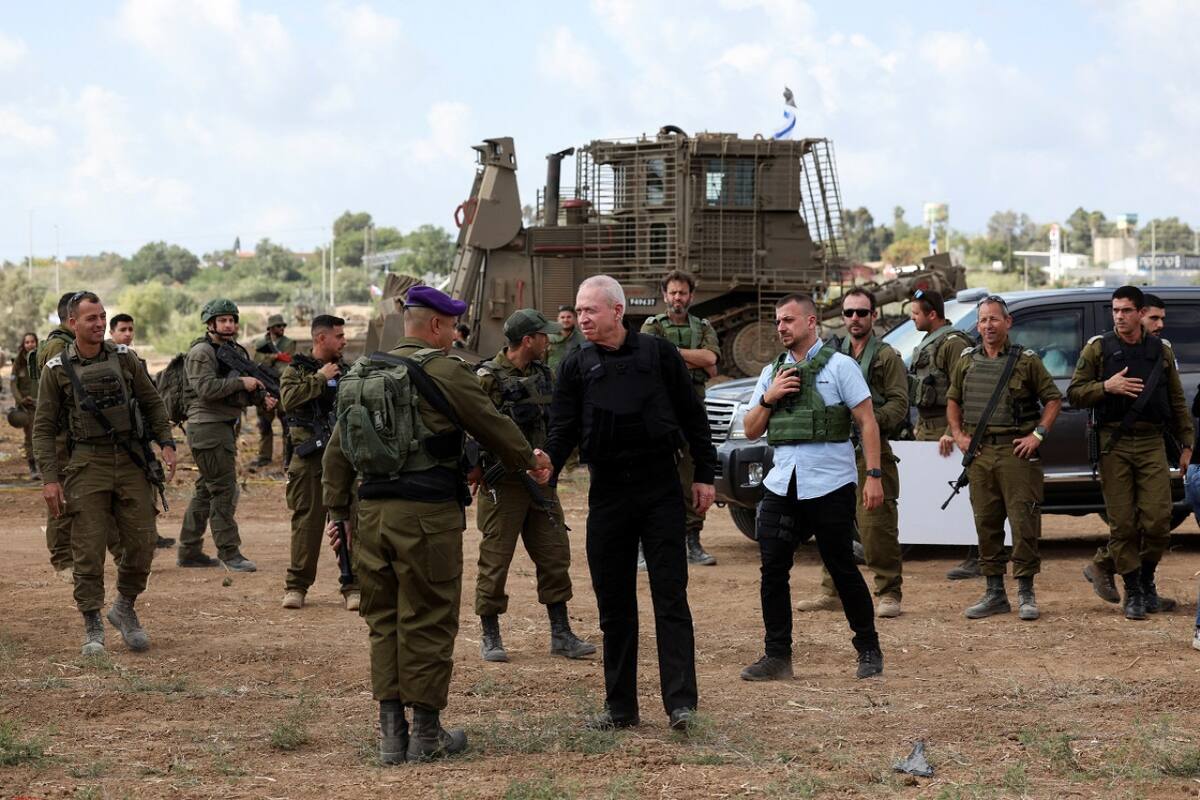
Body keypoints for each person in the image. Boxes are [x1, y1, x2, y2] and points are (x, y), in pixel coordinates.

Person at [323, 285, 551, 764]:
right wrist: (529, 458)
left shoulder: (365, 372)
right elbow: (490, 422)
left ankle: (390, 735)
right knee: (427, 616)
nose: (455, 334)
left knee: (382, 620)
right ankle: (426, 733)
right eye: (451, 327)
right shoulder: (446, 370)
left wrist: (337, 514)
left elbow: (337, 451)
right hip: (426, 517)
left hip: (372, 515)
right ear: (433, 326)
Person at [543, 274, 716, 733]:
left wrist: (704, 474)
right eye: (578, 310)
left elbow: (692, 416)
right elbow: (562, 431)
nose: (582, 318)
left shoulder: (658, 354)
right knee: (614, 604)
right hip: (608, 495)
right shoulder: (574, 366)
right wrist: (548, 466)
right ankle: (621, 708)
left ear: (617, 312)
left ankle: (681, 704)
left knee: (670, 598)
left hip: (659, 489)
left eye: (590, 310)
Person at [737, 293, 885, 682]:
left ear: (811, 322)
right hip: (783, 482)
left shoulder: (840, 367)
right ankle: (777, 656)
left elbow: (867, 422)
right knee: (772, 569)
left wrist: (873, 476)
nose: (781, 327)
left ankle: (868, 648)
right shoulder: (772, 372)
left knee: (840, 566)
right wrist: (769, 398)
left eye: (788, 320)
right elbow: (751, 429)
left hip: (830, 483)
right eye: (778, 322)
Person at [32, 292, 177, 655]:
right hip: (87, 464)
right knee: (88, 548)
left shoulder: (125, 359)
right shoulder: (57, 369)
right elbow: (44, 427)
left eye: (102, 316)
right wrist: (51, 479)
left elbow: (151, 402)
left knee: (143, 542)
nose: (98, 324)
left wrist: (166, 441)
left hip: (131, 461)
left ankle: (125, 607)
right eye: (90, 318)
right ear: (72, 323)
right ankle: (92, 623)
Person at [473, 308, 595, 663]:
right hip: (505, 485)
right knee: (495, 561)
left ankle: (561, 633)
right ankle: (490, 634)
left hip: (541, 484)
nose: (549, 340)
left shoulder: (545, 375)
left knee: (555, 555)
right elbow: (474, 428)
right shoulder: (487, 377)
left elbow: (559, 421)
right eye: (544, 335)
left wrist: (553, 464)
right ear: (528, 340)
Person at [1067, 285, 1192, 620]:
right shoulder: (1099, 348)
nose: (1119, 317)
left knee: (1157, 521)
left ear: (1139, 313)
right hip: (1114, 442)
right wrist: (1106, 387)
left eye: (1126, 311)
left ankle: (1147, 579)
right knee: (1122, 525)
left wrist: (1186, 445)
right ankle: (1134, 591)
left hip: (1152, 441)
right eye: (1115, 310)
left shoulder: (1160, 351)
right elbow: (1075, 393)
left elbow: (1177, 401)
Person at [943, 295, 1062, 621]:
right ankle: (994, 592)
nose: (988, 326)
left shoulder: (1026, 360)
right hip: (980, 454)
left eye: (994, 319)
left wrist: (1037, 435)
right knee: (987, 522)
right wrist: (958, 434)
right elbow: (952, 400)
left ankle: (1025, 591)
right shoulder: (966, 360)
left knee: (1024, 522)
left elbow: (1053, 400)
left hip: (1015, 454)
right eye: (983, 320)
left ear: (1008, 323)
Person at [795, 288, 909, 618]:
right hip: (834, 451)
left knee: (876, 526)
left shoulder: (887, 356)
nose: (855, 319)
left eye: (862, 312)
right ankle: (831, 591)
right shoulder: (830, 355)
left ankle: (889, 592)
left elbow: (900, 404)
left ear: (874, 316)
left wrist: (867, 419)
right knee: (832, 523)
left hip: (871, 452)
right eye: (848, 313)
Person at [177, 299, 273, 572]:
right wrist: (242, 382)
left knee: (206, 490)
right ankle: (230, 553)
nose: (229, 324)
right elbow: (206, 388)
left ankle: (189, 550)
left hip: (221, 426)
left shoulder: (232, 351)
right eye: (223, 320)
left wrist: (260, 397)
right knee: (223, 490)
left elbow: (238, 391)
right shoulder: (201, 352)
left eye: (232, 320)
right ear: (210, 324)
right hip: (208, 428)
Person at [641, 270, 721, 566]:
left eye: (682, 293)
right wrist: (692, 356)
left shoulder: (702, 326)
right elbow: (649, 358)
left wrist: (672, 352)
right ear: (665, 296)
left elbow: (712, 360)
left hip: (692, 409)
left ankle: (693, 541)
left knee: (692, 475)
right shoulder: (652, 325)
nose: (677, 298)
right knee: (650, 474)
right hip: (658, 408)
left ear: (691, 296)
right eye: (673, 293)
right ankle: (644, 543)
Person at [280, 315, 359, 611]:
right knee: (307, 524)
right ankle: (297, 586)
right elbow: (288, 400)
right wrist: (320, 378)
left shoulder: (348, 371)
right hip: (309, 459)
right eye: (339, 336)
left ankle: (353, 585)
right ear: (320, 338)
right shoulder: (295, 371)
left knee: (349, 521)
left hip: (342, 460)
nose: (344, 340)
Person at [906, 288, 978, 580]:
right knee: (934, 491)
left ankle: (978, 554)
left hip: (944, 429)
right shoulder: (929, 341)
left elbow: (964, 390)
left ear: (932, 314)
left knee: (963, 492)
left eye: (915, 314)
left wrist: (953, 430)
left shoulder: (953, 343)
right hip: (927, 426)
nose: (912, 319)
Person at [107, 313, 175, 550]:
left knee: (149, 482)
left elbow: (149, 400)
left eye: (130, 330)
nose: (127, 334)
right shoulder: (106, 361)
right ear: (111, 333)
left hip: (139, 435)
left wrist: (162, 436)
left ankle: (150, 535)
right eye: (122, 329)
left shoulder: (135, 360)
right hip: (115, 438)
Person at [34, 291, 83, 582]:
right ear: (70, 317)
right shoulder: (58, 346)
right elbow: (60, 393)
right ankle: (62, 560)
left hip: (69, 433)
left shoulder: (63, 342)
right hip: (60, 434)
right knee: (60, 496)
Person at [251, 314, 296, 468]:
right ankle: (264, 456)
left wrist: (269, 359)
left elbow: (286, 364)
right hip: (265, 387)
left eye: (283, 326)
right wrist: (276, 356)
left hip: (281, 387)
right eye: (278, 326)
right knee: (264, 424)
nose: (282, 329)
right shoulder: (260, 343)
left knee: (286, 424)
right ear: (270, 328)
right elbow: (257, 361)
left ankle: (288, 458)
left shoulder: (289, 343)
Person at [10, 332, 40, 480]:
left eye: (32, 342)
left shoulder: (41, 358)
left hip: (40, 404)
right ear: (23, 345)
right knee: (30, 436)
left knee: (43, 435)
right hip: (25, 406)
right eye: (27, 342)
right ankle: (32, 465)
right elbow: (13, 383)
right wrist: (21, 400)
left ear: (36, 343)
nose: (30, 345)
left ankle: (42, 464)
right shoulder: (18, 362)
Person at [546, 305, 585, 370]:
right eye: (562, 317)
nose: (565, 320)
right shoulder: (548, 337)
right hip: (552, 377)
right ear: (558, 319)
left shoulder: (582, 339)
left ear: (575, 319)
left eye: (569, 317)